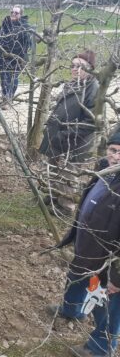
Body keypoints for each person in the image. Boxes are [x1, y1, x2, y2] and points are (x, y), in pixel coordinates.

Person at [47, 131, 120, 357]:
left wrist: (118, 278)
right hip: (87, 248)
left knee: (108, 304)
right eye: (113, 150)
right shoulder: (104, 170)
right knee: (76, 278)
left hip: (109, 261)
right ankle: (72, 310)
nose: (116, 157)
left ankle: (101, 346)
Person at [39, 50, 99, 213]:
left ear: (91, 69)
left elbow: (91, 123)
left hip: (74, 141)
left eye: (80, 66)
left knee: (68, 174)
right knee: (54, 169)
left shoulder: (93, 90)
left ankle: (66, 206)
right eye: (73, 66)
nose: (75, 69)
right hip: (58, 137)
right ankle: (55, 197)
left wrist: (64, 135)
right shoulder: (72, 83)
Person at [0, 5, 34, 108]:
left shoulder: (24, 27)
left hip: (17, 58)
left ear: (20, 14)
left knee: (13, 79)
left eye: (16, 13)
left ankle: (9, 98)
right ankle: (5, 98)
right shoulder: (5, 25)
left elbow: (28, 44)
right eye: (12, 12)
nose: (13, 14)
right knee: (4, 79)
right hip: (4, 57)